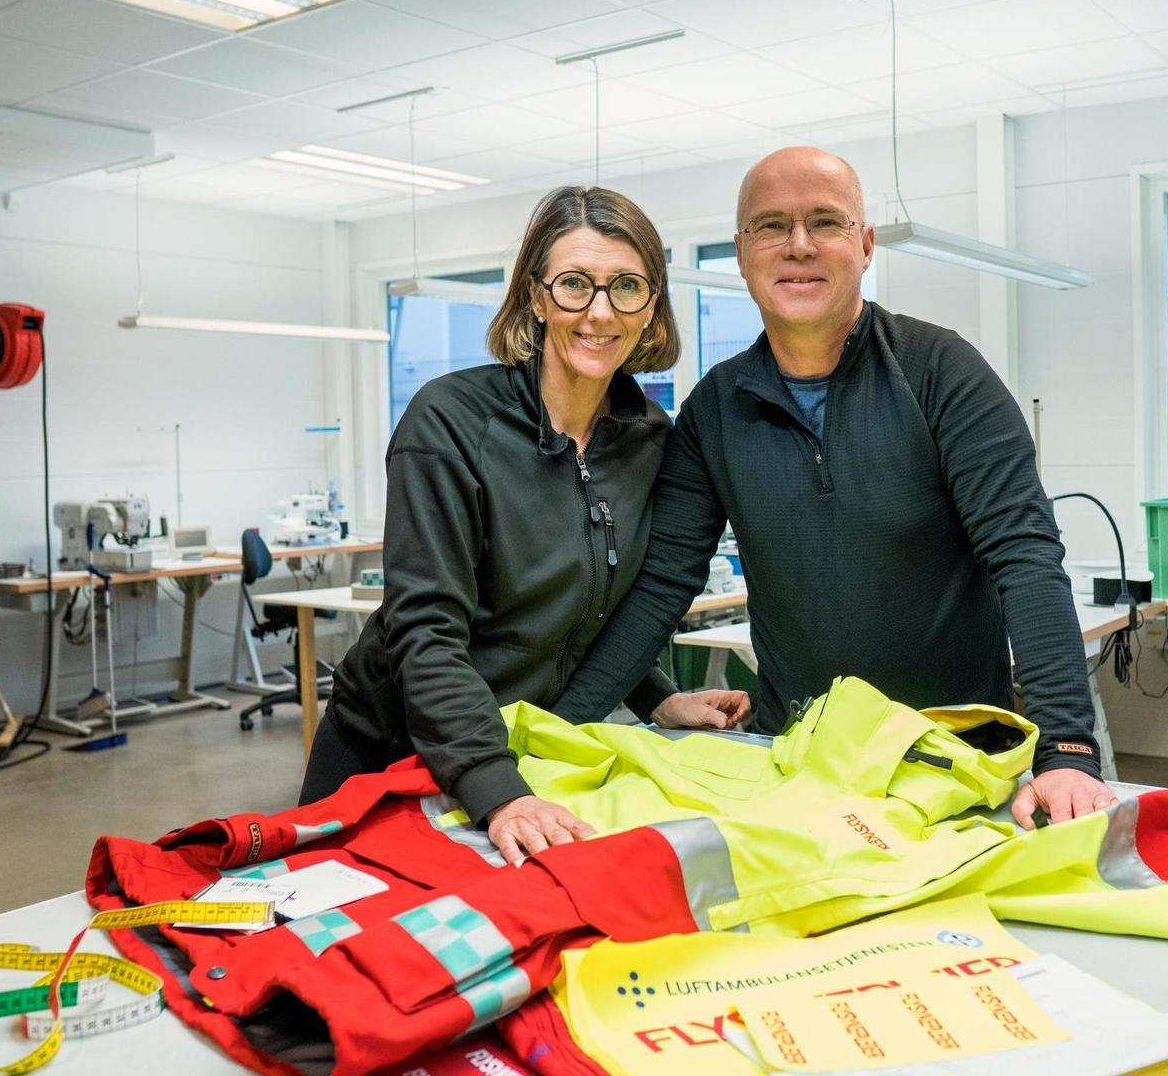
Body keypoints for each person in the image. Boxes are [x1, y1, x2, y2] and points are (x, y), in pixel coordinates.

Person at [555, 147, 1113, 829]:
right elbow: (663, 586)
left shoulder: (942, 373)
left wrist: (1066, 748)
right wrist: (558, 733)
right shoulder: (714, 411)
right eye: (770, 226)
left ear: (866, 244)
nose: (798, 246)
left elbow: (1024, 555)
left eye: (825, 222)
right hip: (805, 762)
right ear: (740, 251)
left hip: (956, 763)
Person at [302, 185, 747, 863]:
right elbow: (426, 630)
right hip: (398, 749)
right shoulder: (450, 422)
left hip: (520, 755)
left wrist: (657, 697)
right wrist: (496, 787)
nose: (599, 312)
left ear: (651, 305)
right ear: (536, 297)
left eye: (625, 286)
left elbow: (600, 604)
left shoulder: (649, 441)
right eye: (574, 284)